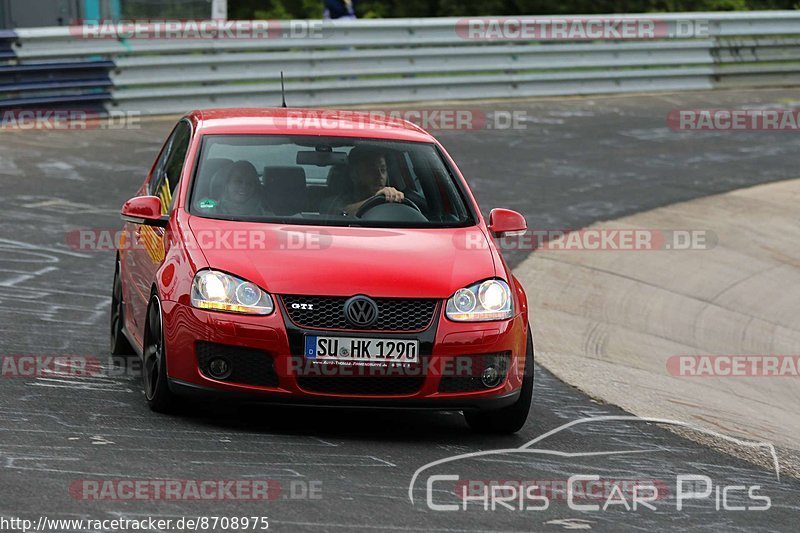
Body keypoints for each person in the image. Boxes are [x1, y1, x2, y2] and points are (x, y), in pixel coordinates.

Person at [325, 147, 405, 216]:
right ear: (354, 175)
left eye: (383, 170)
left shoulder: (393, 199)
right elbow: (339, 213)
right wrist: (376, 199)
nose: (380, 176)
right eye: (371, 170)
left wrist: (395, 198)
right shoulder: (334, 201)